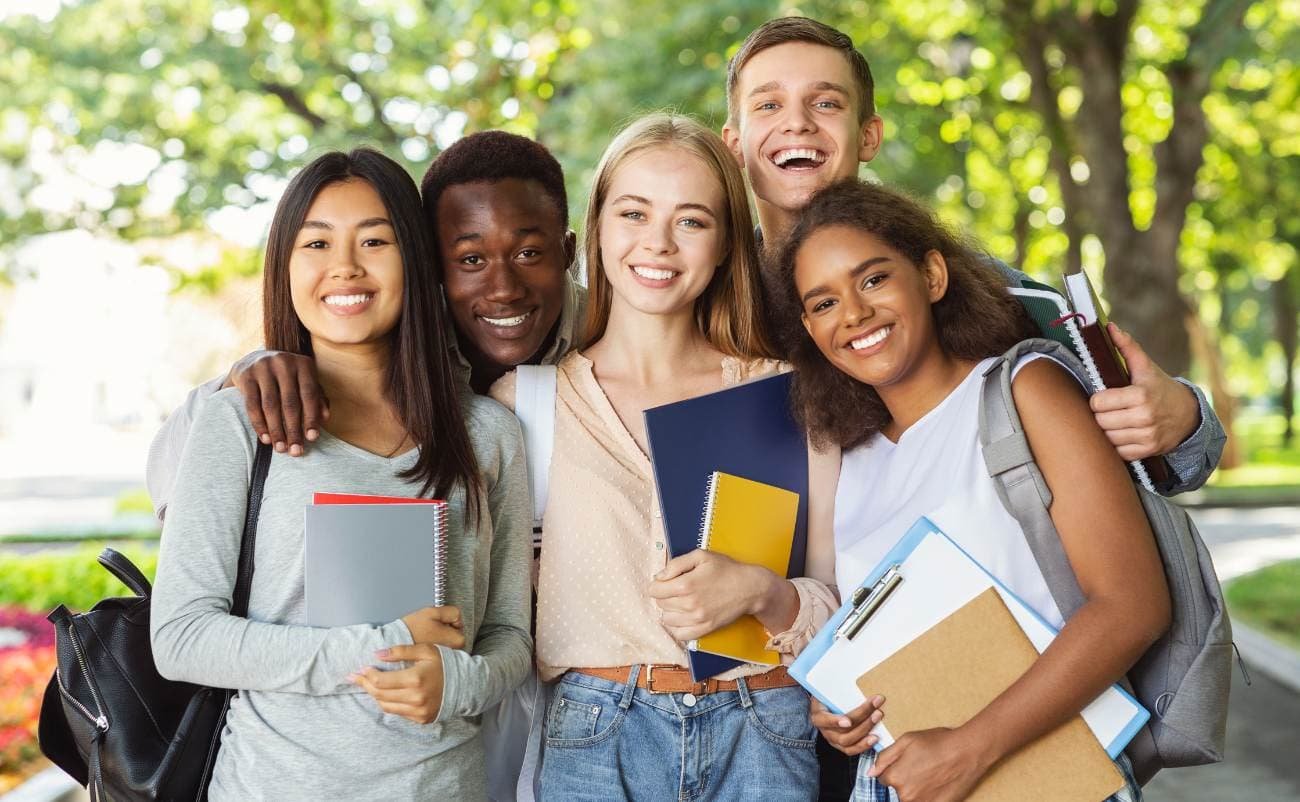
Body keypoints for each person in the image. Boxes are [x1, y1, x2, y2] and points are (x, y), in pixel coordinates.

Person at [149, 148, 533, 799]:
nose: (345, 268)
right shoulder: (240, 422)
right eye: (316, 243)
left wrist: (457, 682)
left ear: (415, 258)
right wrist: (379, 648)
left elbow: (510, 636)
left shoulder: (488, 436)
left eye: (375, 240)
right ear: (286, 264)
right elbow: (182, 638)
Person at [777, 178, 1170, 802]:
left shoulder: (1024, 390)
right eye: (823, 303)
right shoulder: (850, 456)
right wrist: (842, 712)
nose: (853, 314)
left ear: (932, 276)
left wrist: (968, 748)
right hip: (899, 784)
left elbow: (1133, 607)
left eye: (873, 279)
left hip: (1046, 778)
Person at [487, 113, 840, 801]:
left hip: (762, 730)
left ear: (725, 243)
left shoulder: (788, 395)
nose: (658, 244)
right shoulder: (523, 405)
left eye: (691, 221)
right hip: (595, 737)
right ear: (597, 228)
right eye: (634, 213)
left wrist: (764, 594)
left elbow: (842, 599)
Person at [720, 16, 1226, 495]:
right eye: (768, 105)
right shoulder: (704, 303)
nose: (798, 124)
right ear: (734, 145)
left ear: (868, 135)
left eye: (826, 103)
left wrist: (1181, 420)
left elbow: (1155, 468)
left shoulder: (994, 294)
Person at [144, 131, 583, 515]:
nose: (503, 288)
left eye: (528, 254)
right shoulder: (386, 344)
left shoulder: (610, 335)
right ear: (430, 264)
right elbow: (171, 487)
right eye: (470, 259)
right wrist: (240, 380)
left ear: (567, 252)